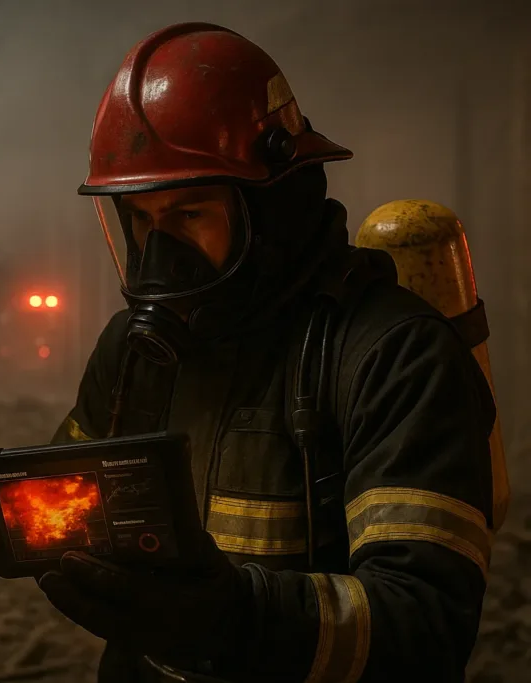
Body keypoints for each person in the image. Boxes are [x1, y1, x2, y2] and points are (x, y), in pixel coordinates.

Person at [39, 23, 501, 683]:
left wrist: (236, 619)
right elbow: (69, 506)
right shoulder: (135, 350)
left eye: (190, 215)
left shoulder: (394, 357)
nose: (160, 254)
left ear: (274, 205)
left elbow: (425, 625)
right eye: (141, 220)